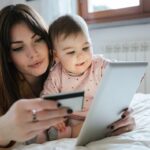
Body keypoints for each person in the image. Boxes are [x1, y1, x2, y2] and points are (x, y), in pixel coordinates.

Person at [40, 15, 135, 140]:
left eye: (86, 47)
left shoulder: (99, 65)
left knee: (106, 123)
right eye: (71, 52)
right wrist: (53, 118)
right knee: (49, 126)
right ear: (56, 55)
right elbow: (46, 100)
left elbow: (115, 72)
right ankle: (67, 131)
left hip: (96, 117)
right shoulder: (56, 74)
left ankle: (72, 133)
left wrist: (127, 75)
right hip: (71, 119)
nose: (81, 55)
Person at [0, 4, 73, 148]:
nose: (33, 53)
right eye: (18, 48)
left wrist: (114, 119)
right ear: (8, 56)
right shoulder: (3, 89)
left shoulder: (67, 69)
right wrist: (4, 130)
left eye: (38, 39)